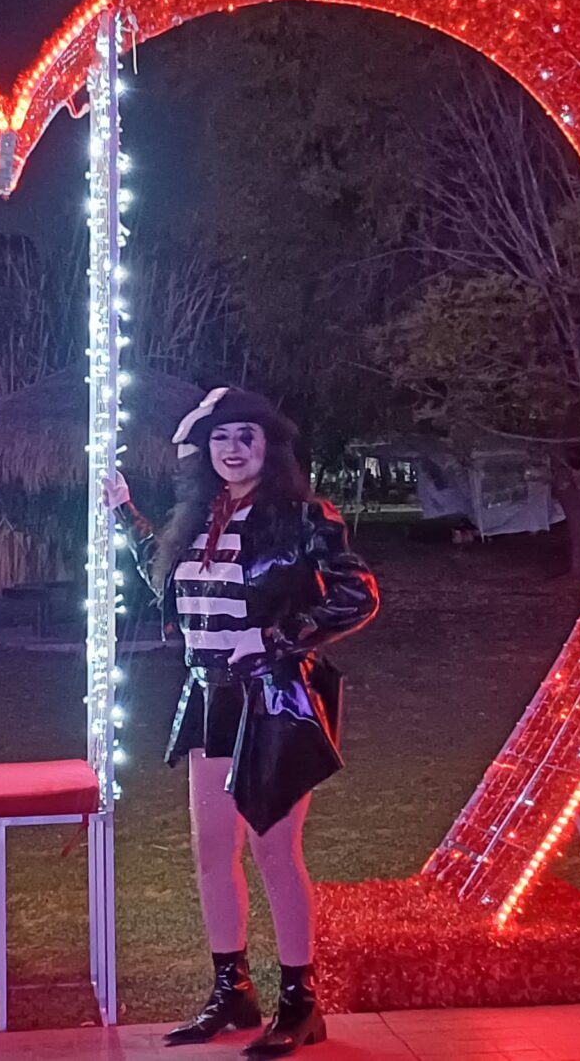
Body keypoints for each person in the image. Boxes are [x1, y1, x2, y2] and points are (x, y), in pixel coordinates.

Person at [104, 386, 380, 1057]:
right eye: (221, 439)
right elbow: (163, 579)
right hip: (210, 697)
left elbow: (358, 593)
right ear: (207, 450)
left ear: (268, 447)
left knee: (273, 852)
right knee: (210, 853)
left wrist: (282, 637)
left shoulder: (303, 517)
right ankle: (232, 993)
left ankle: (300, 1002)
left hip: (275, 697)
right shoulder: (197, 518)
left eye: (245, 438)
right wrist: (124, 514)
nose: (232, 449)